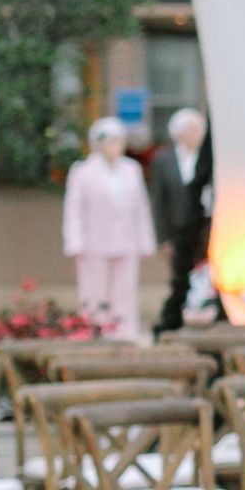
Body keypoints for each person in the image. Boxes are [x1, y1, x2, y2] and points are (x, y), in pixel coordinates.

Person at [60, 118, 158, 339]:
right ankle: (95, 331)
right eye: (112, 141)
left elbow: (140, 208)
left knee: (125, 290)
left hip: (126, 240)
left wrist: (145, 241)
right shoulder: (83, 171)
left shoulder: (131, 169)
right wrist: (74, 242)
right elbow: (73, 209)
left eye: (120, 140)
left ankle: (125, 333)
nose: (116, 146)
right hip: (94, 241)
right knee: (94, 290)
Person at [144, 108, 213, 333]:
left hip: (207, 225)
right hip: (179, 229)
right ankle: (177, 320)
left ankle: (207, 315)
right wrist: (164, 238)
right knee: (181, 278)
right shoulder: (164, 160)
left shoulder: (210, 156)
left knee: (209, 276)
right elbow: (159, 202)